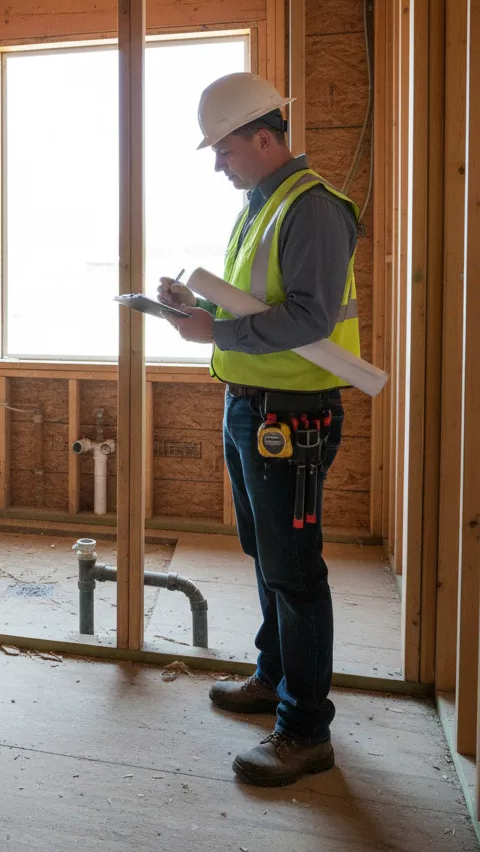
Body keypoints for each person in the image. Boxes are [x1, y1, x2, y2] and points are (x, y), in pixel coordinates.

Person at [156, 71, 360, 788]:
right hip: (254, 404)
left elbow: (306, 316)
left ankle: (305, 730)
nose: (218, 162)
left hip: (293, 415)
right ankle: (275, 676)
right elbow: (255, 306)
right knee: (267, 554)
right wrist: (194, 309)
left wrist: (214, 328)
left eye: (225, 148)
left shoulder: (312, 208)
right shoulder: (260, 204)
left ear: (265, 137)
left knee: (295, 572)